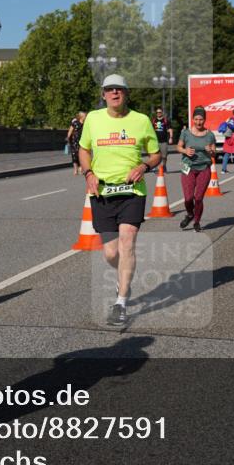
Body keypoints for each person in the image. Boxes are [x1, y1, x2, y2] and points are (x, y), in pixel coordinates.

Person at [79, 74, 161, 325]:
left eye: (120, 90)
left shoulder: (141, 120)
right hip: (102, 192)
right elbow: (84, 149)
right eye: (109, 90)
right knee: (110, 253)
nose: (115, 93)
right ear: (103, 95)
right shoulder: (93, 119)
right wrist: (88, 173)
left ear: (126, 94)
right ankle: (123, 277)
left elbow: (156, 154)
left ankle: (121, 303)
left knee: (127, 244)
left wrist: (144, 167)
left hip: (132, 192)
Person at [177, 106, 217, 232]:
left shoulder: (209, 135)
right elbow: (178, 147)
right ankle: (190, 214)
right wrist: (185, 150)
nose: (198, 122)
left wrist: (211, 150)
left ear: (204, 119)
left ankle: (197, 221)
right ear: (192, 119)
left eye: (201, 119)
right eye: (196, 119)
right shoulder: (186, 133)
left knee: (198, 198)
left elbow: (214, 152)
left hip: (204, 168)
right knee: (188, 198)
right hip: (187, 167)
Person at [220, 107, 234, 173]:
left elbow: (226, 128)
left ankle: (223, 170)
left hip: (228, 136)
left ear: (233, 113)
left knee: (227, 153)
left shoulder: (229, 119)